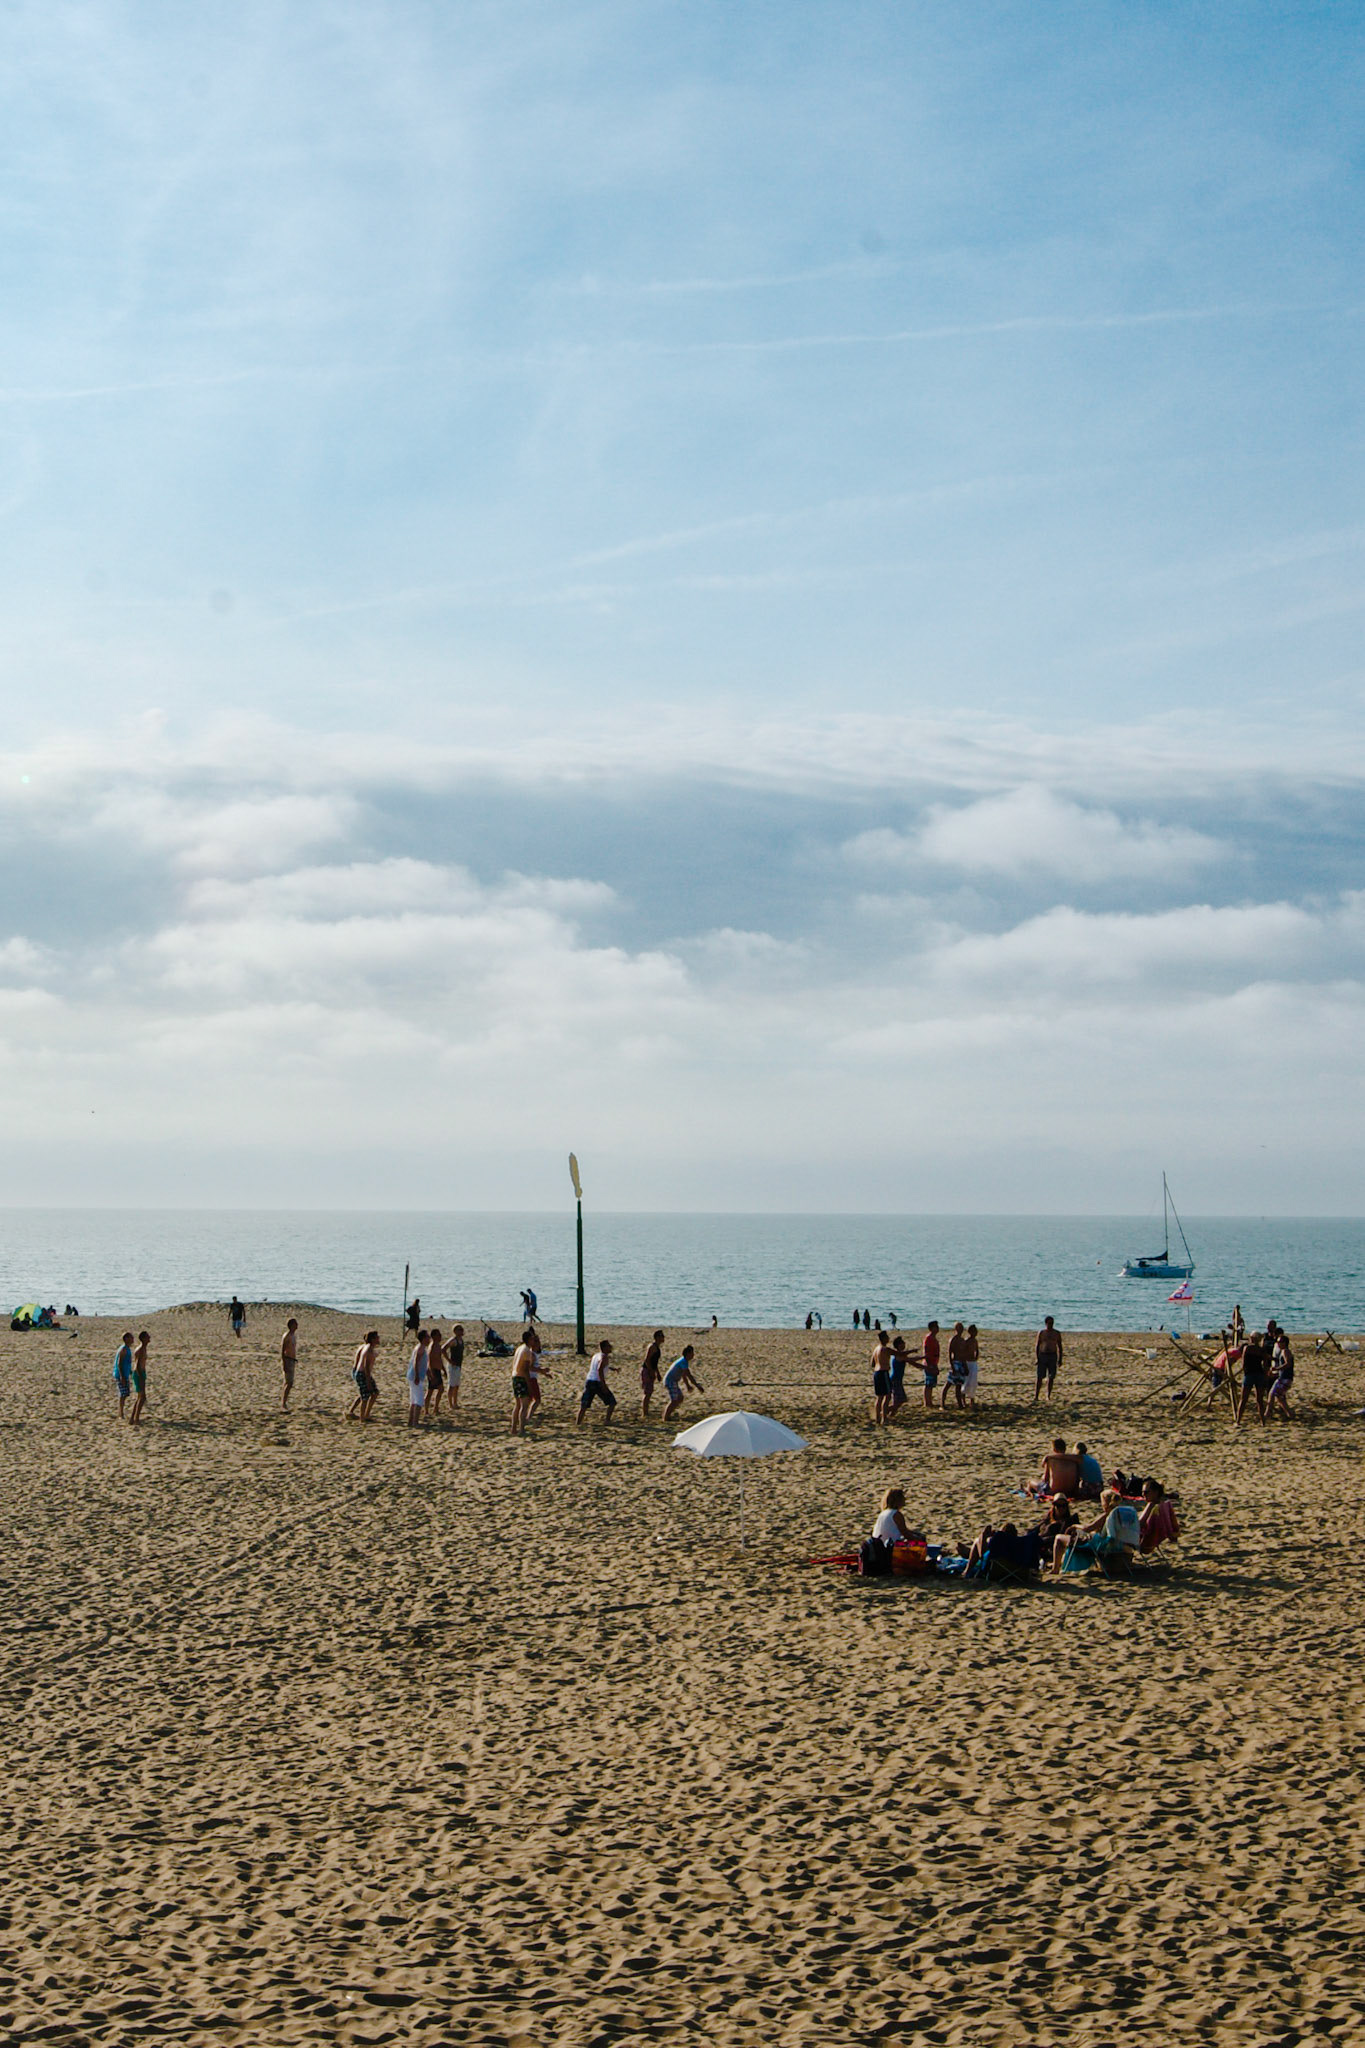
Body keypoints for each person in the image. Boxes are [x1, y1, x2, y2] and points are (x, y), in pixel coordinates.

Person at [1054, 1489, 1142, 1574]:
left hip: (1104, 1548)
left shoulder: (1108, 1515)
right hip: (1123, 1548)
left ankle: (1055, 1569)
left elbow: (1087, 1528)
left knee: (1059, 1538)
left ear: (1105, 1503)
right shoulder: (1123, 1513)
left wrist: (1074, 1526)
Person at [577, 1339, 617, 1424]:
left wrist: (613, 1369)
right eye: (609, 1346)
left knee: (584, 1405)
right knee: (612, 1402)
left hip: (589, 1380)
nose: (611, 1347)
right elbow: (599, 1369)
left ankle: (578, 1422)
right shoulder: (604, 1357)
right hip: (597, 1382)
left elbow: (601, 1366)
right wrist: (603, 1385)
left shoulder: (596, 1355)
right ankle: (607, 1420)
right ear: (604, 1348)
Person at [1236, 1331, 1272, 1424]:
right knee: (1259, 1400)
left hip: (1249, 1374)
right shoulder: (1261, 1350)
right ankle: (1262, 1421)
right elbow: (1265, 1364)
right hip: (1259, 1374)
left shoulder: (1247, 1348)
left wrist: (1245, 1371)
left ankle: (1238, 1421)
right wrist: (1265, 1374)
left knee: (1243, 1399)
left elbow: (1244, 1363)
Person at [1138, 1479, 1181, 1554]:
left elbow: (1139, 1524)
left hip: (1146, 1542)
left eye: (1146, 1492)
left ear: (1155, 1492)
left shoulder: (1152, 1506)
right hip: (1158, 1539)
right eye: (1142, 1492)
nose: (1143, 1495)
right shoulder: (1165, 1504)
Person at [662, 1345, 704, 1423]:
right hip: (670, 1381)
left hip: (673, 1381)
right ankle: (665, 1417)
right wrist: (696, 1386)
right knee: (674, 1400)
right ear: (688, 1354)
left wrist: (688, 1385)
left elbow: (684, 1375)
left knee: (680, 1398)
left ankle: (669, 1414)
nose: (693, 1355)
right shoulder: (683, 1362)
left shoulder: (684, 1361)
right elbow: (688, 1375)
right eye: (692, 1353)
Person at [348, 1331, 380, 1421]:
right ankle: (363, 1417)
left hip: (363, 1373)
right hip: (362, 1374)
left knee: (374, 1393)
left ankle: (366, 1414)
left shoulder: (369, 1348)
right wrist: (368, 1381)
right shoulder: (368, 1349)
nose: (379, 1339)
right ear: (373, 1339)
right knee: (365, 1396)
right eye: (377, 1337)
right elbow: (365, 1366)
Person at [510, 1330, 537, 1436]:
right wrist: (529, 1384)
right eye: (532, 1339)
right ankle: (521, 1429)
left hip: (515, 1376)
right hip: (521, 1378)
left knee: (517, 1404)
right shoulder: (526, 1351)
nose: (534, 1341)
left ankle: (513, 1428)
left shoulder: (520, 1348)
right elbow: (526, 1369)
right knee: (524, 1405)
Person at [1267, 1333, 1295, 1419]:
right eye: (1277, 1342)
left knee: (1272, 1394)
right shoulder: (1283, 1351)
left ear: (1285, 1343)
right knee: (1279, 1397)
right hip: (1284, 1377)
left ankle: (1267, 1414)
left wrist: (1277, 1368)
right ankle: (1290, 1414)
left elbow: (1288, 1364)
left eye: (1280, 1342)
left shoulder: (1285, 1351)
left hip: (1285, 1378)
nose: (1278, 1344)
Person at [1034, 1317, 1062, 1400]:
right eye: (1049, 1323)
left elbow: (1059, 1346)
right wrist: (1037, 1357)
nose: (1050, 1325)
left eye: (1052, 1323)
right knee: (1039, 1377)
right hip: (1043, 1355)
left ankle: (1048, 1396)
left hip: (1052, 1356)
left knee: (1051, 1377)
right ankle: (1036, 1396)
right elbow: (1037, 1345)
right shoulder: (1042, 1332)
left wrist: (1060, 1359)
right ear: (1046, 1323)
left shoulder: (1056, 1333)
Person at [640, 1330, 666, 1419]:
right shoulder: (652, 1347)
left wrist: (657, 1373)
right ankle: (644, 1413)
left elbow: (655, 1362)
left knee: (649, 1391)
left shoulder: (657, 1347)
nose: (663, 1338)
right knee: (647, 1392)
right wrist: (651, 1371)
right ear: (657, 1337)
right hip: (647, 1370)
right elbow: (647, 1360)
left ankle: (646, 1411)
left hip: (650, 1370)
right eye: (662, 1336)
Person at [405, 1329, 429, 1427]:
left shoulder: (420, 1347)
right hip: (415, 1376)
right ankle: (415, 1422)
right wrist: (417, 1376)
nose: (429, 1339)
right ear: (423, 1338)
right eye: (427, 1337)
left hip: (413, 1375)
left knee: (414, 1400)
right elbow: (416, 1362)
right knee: (419, 1400)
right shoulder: (420, 1348)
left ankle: (411, 1421)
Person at [870, 1329, 893, 1426]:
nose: (888, 1338)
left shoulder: (876, 1349)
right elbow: (899, 1354)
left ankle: (877, 1418)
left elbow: (872, 1363)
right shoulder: (884, 1349)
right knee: (887, 1396)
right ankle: (884, 1418)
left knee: (879, 1397)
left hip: (876, 1373)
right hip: (883, 1372)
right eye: (887, 1337)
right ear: (883, 1338)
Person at [944, 1323, 969, 1408]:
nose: (960, 1330)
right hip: (955, 1363)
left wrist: (965, 1366)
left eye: (961, 1328)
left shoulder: (962, 1340)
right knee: (949, 1383)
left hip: (961, 1363)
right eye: (959, 1328)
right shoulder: (953, 1339)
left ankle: (960, 1404)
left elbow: (964, 1354)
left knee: (959, 1385)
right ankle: (942, 1403)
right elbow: (950, 1353)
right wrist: (952, 1365)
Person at [129, 1330, 150, 1426]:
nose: (149, 1338)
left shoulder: (144, 1348)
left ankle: (132, 1418)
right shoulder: (140, 1349)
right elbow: (137, 1365)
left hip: (141, 1372)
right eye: (147, 1337)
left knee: (140, 1397)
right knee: (142, 1397)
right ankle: (136, 1419)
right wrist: (141, 1376)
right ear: (144, 1338)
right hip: (139, 1373)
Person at [113, 1331, 134, 1421]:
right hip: (120, 1374)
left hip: (125, 1373)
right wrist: (122, 1376)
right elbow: (119, 1363)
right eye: (131, 1337)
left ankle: (121, 1412)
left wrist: (130, 1372)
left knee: (125, 1394)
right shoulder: (123, 1349)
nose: (133, 1339)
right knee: (123, 1394)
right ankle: (120, 1413)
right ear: (126, 1339)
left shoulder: (127, 1349)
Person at [887, 1333, 910, 1417]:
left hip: (896, 1379)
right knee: (901, 1400)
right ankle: (884, 1410)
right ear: (898, 1345)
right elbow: (911, 1361)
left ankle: (891, 1414)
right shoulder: (899, 1355)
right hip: (895, 1379)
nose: (904, 1344)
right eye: (902, 1343)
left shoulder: (899, 1354)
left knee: (897, 1400)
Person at [443, 1325, 465, 1412]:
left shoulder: (461, 1340)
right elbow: (443, 1349)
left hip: (458, 1365)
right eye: (460, 1330)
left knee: (456, 1385)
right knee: (451, 1385)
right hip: (453, 1365)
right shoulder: (453, 1340)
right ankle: (450, 1404)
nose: (462, 1331)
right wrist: (449, 1361)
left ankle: (455, 1402)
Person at [425, 1326, 445, 1415]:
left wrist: (444, 1369)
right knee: (432, 1390)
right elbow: (429, 1360)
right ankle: (428, 1410)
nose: (440, 1336)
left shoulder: (438, 1346)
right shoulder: (432, 1346)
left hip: (438, 1370)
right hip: (433, 1370)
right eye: (439, 1335)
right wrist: (431, 1373)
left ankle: (435, 1408)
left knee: (438, 1389)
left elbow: (439, 1359)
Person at [920, 1321, 941, 1408]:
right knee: (928, 1383)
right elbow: (926, 1351)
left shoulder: (933, 1338)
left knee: (931, 1384)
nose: (937, 1328)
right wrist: (929, 1364)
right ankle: (927, 1402)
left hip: (933, 1362)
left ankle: (929, 1401)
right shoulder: (929, 1338)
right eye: (936, 1327)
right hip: (930, 1363)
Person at [280, 1318, 299, 1410]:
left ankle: (284, 1401)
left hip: (292, 1360)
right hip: (288, 1360)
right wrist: (284, 1363)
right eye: (295, 1324)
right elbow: (282, 1351)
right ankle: (283, 1403)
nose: (297, 1325)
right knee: (289, 1383)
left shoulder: (293, 1335)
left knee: (288, 1382)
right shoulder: (287, 1336)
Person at [962, 1324, 981, 1405]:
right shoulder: (967, 1341)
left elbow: (977, 1350)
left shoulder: (975, 1341)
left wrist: (976, 1357)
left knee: (973, 1382)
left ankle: (972, 1400)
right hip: (967, 1362)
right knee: (966, 1381)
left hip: (973, 1362)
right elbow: (964, 1352)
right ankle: (963, 1400)